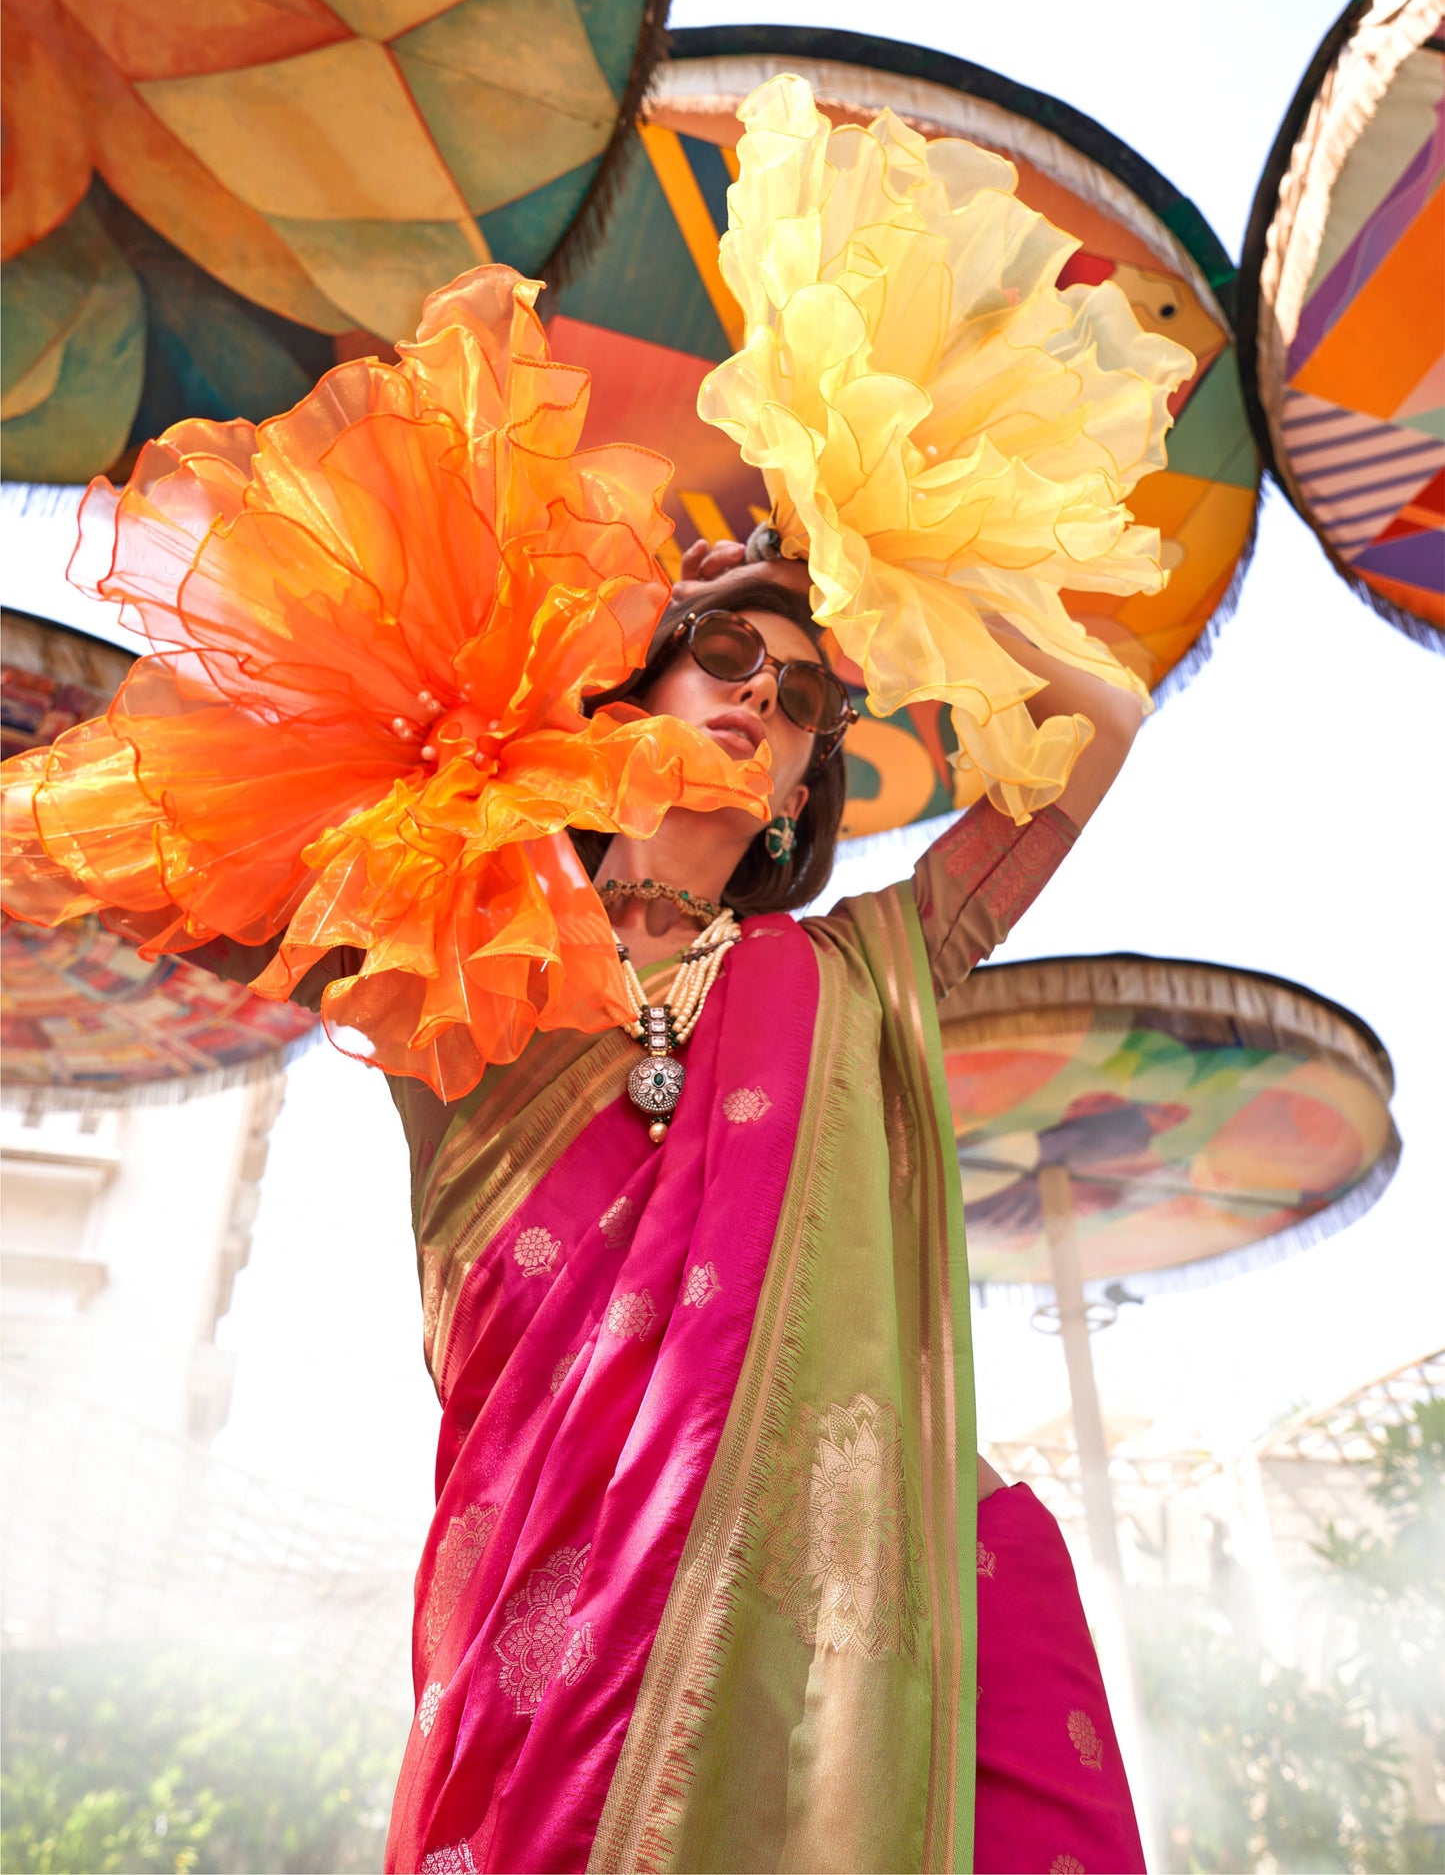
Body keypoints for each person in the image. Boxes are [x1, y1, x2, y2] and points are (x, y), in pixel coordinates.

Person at [313, 535, 1141, 1875]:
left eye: (806, 698)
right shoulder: (464, 959)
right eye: (721, 655)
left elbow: (1101, 719)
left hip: (871, 1631)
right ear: (628, 691)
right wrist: (626, 602)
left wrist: (898, 566)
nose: (762, 692)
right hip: (559, 1694)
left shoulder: (865, 968)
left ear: (804, 783)